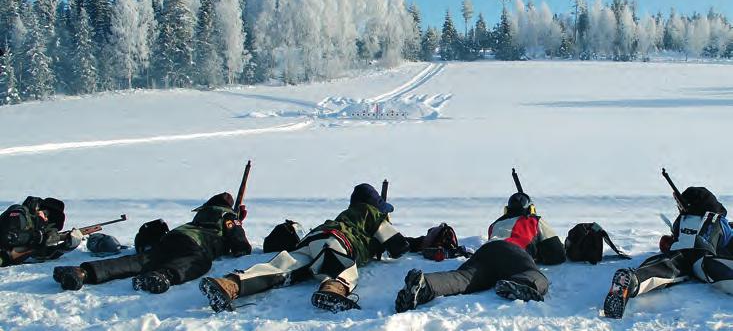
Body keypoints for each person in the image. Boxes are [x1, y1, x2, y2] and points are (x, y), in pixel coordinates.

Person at [199, 183, 410, 313]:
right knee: (344, 267)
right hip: (336, 241)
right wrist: (384, 229)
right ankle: (333, 290)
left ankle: (229, 284)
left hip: (313, 239)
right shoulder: (373, 215)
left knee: (280, 269)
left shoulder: (347, 215)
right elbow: (399, 246)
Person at [395, 192, 566, 313]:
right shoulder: (534, 221)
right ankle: (523, 284)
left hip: (487, 252)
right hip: (514, 252)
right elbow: (557, 253)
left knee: (462, 278)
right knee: (537, 276)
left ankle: (425, 285)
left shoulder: (496, 224)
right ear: (531, 209)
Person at [53, 192, 251, 294]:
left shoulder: (202, 215)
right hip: (194, 244)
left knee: (140, 260)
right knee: (199, 261)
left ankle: (82, 272)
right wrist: (239, 228)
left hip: (173, 237)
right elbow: (239, 242)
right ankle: (163, 276)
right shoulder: (227, 216)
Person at [603, 187, 733, 319]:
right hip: (707, 262)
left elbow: (677, 239)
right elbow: (727, 239)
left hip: (688, 258)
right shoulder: (720, 221)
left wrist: (670, 243)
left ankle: (634, 280)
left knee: (665, 265)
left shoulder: (683, 219)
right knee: (720, 272)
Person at [0, 196, 82, 267]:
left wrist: (65, 246)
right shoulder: (19, 213)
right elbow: (8, 237)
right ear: (38, 209)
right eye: (45, 214)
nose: (46, 219)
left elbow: (41, 254)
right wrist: (36, 236)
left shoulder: (33, 230)